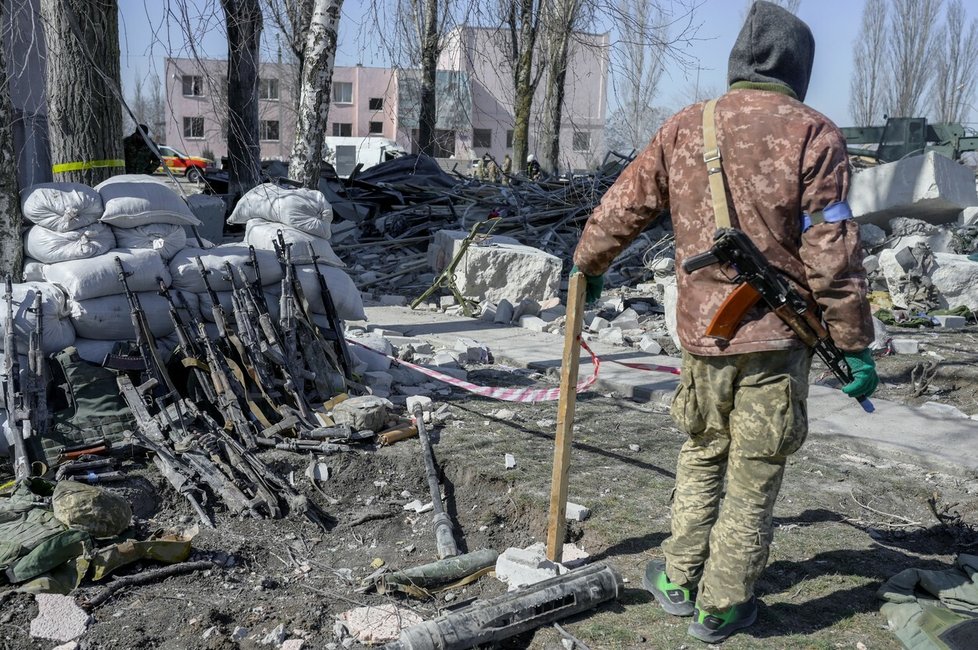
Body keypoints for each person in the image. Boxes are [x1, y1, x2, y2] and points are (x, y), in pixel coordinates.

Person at [571, 2, 878, 643]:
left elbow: (624, 204)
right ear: (799, 67)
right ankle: (723, 603)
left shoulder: (687, 126)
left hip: (703, 338)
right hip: (779, 342)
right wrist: (852, 342)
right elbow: (832, 245)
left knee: (702, 452)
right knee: (754, 470)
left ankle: (681, 578)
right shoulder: (814, 134)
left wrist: (589, 263)